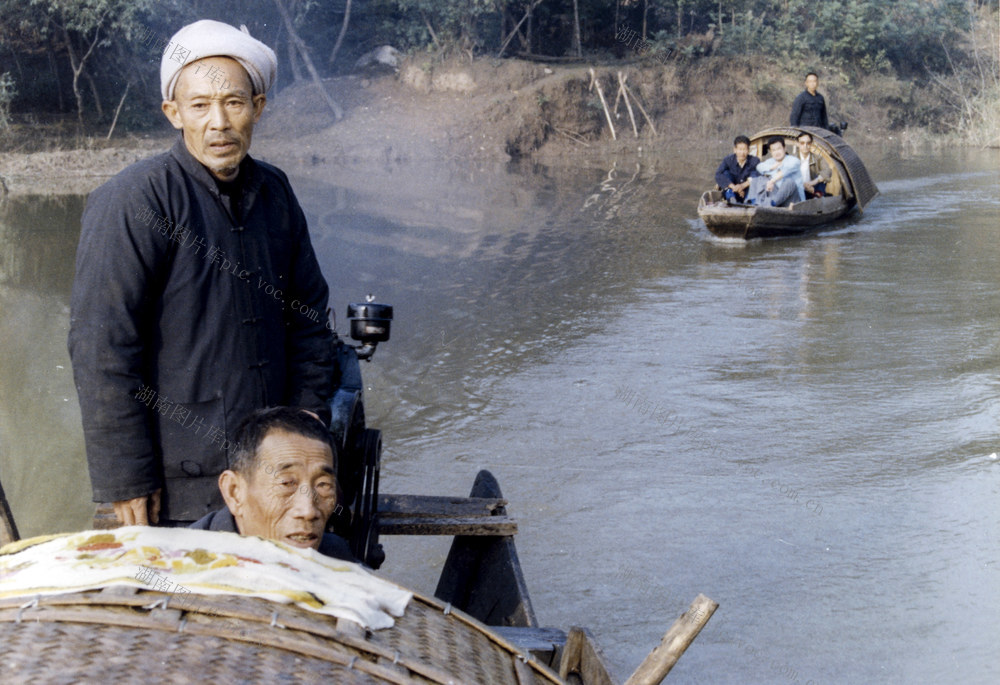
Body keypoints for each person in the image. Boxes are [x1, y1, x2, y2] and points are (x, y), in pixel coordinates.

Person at [68, 20, 337, 527]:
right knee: (181, 597)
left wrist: (305, 428)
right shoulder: (135, 199)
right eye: (200, 105)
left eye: (234, 103)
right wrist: (125, 479)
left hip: (271, 483)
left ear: (257, 107)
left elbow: (309, 322)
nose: (219, 122)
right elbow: (102, 347)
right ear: (174, 113)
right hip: (178, 485)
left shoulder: (275, 193)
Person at [190, 407, 356, 562]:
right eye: (287, 483)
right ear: (234, 492)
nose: (308, 511)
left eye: (323, 485)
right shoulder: (179, 565)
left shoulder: (336, 556)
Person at [747, 137, 804, 207]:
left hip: (792, 201)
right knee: (757, 180)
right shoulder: (770, 162)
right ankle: (753, 202)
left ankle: (770, 204)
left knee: (789, 182)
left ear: (784, 148)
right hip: (777, 199)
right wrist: (771, 167)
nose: (777, 152)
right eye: (773, 150)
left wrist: (772, 181)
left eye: (779, 149)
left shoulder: (794, 161)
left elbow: (784, 171)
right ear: (770, 152)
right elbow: (759, 167)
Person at [714, 135, 760, 203]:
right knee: (725, 173)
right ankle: (731, 199)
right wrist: (734, 187)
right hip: (732, 191)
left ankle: (748, 202)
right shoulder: (728, 160)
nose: (742, 153)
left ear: (748, 150)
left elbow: (756, 176)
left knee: (756, 175)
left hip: (747, 192)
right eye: (740, 149)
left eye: (744, 149)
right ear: (735, 150)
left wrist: (742, 186)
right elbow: (718, 174)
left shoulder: (754, 161)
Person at [795, 132, 832, 198]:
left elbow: (828, 171)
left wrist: (813, 182)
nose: (805, 146)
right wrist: (803, 186)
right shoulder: (793, 159)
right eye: (802, 143)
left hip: (813, 188)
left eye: (808, 143)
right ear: (798, 144)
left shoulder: (818, 158)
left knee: (822, 177)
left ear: (811, 144)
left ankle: (817, 196)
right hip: (799, 189)